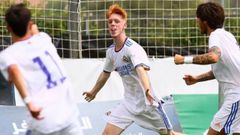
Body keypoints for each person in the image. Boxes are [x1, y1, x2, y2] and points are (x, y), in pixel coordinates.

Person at [83, 4, 184, 135]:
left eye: (117, 21)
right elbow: (105, 73)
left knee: (170, 134)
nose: (113, 24)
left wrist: (147, 90)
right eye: (110, 22)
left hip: (147, 104)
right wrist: (93, 92)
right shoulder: (110, 52)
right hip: (128, 105)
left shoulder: (132, 48)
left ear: (125, 25)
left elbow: (141, 70)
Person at [0, 4, 83, 135]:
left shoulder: (8, 55)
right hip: (69, 115)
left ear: (8, 28)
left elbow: (14, 72)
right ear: (30, 24)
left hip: (44, 121)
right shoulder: (44, 39)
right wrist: (31, 26)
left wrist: (28, 102)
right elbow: (35, 30)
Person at [174, 2, 240, 135]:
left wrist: (184, 60)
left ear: (205, 22)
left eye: (198, 20)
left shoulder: (215, 36)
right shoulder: (228, 37)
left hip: (235, 97)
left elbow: (213, 57)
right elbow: (223, 69)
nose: (197, 23)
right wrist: (197, 79)